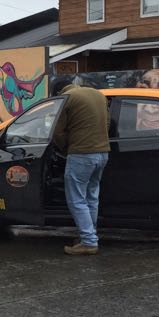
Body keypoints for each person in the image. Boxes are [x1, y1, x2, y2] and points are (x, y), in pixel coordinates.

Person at [50, 78, 110, 256]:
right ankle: (90, 235)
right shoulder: (98, 94)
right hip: (103, 153)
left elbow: (58, 132)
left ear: (58, 91)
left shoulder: (67, 98)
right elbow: (107, 124)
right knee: (92, 196)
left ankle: (89, 242)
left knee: (76, 199)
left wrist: (64, 148)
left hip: (81, 154)